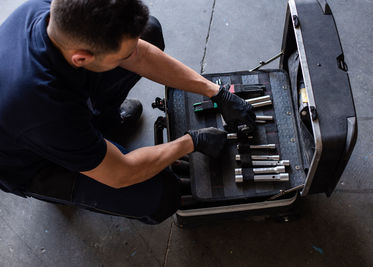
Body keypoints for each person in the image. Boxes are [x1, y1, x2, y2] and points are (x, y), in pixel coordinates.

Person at [0, 0, 255, 224]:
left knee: (150, 31)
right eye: (126, 54)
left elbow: (141, 54)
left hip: (56, 111)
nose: (136, 51)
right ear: (81, 58)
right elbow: (121, 173)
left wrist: (214, 92)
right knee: (162, 196)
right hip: (33, 163)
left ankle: (101, 124)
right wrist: (191, 142)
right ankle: (76, 167)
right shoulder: (47, 112)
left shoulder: (55, 11)